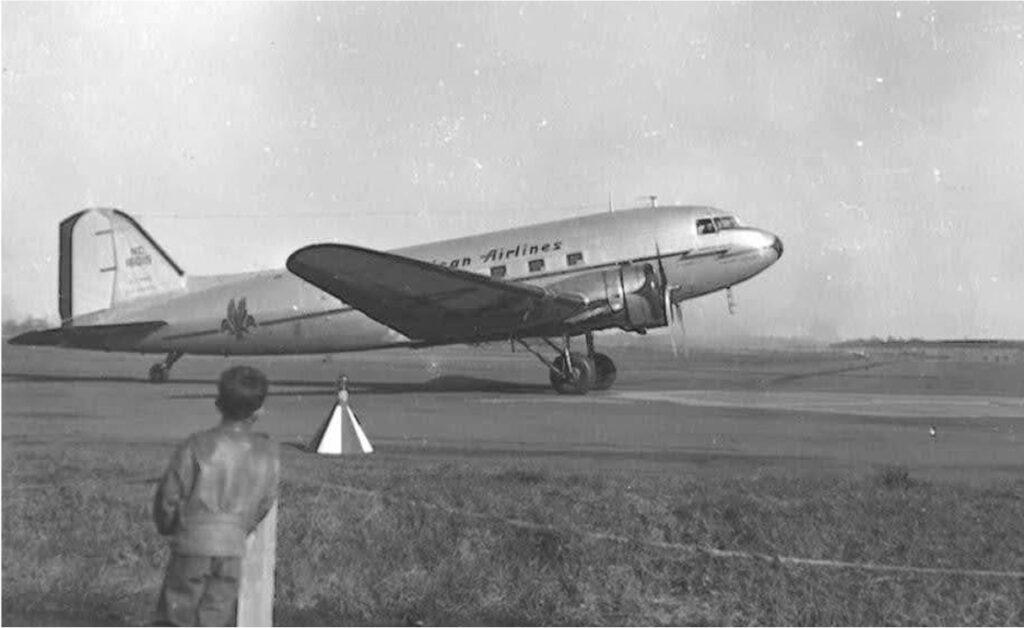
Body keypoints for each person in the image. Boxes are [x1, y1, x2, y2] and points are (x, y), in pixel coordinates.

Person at [153, 366, 280, 626]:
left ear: (218, 403)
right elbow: (265, 502)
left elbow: (170, 495)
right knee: (216, 617)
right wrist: (240, 528)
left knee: (176, 615)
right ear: (259, 411)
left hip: (193, 543)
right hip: (232, 547)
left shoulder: (196, 445)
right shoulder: (267, 454)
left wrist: (169, 525)